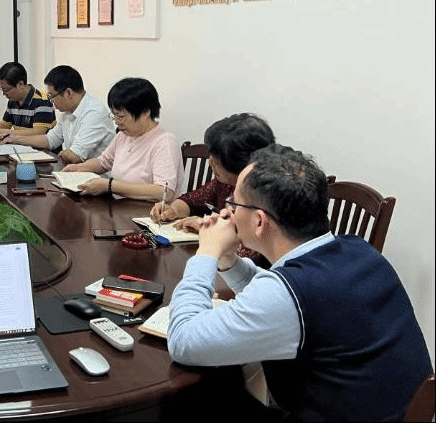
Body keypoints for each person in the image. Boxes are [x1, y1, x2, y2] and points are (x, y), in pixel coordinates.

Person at [166, 145, 432, 421]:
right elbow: (287, 300)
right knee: (223, 383)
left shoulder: (288, 292)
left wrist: (207, 252)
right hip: (386, 412)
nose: (227, 209)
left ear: (259, 222)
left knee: (187, 400)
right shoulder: (357, 249)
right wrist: (229, 261)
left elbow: (183, 342)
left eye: (235, 202)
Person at [149, 113, 274, 263]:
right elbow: (193, 199)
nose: (210, 162)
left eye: (216, 159)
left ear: (238, 163)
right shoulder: (224, 183)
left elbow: (250, 255)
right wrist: (173, 210)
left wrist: (210, 227)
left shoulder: (264, 197)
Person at [62, 77, 183, 200]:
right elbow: (103, 162)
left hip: (147, 210)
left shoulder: (164, 142)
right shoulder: (123, 135)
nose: (117, 122)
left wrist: (110, 185)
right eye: (114, 116)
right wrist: (79, 168)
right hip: (118, 206)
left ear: (146, 112)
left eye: (121, 116)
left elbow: (165, 192)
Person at [0, 65, 113, 164]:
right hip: (75, 172)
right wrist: (14, 139)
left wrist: (61, 154)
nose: (51, 101)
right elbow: (50, 140)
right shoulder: (68, 111)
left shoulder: (94, 113)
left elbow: (75, 156)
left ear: (68, 93)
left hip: (97, 179)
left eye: (52, 96)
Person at [0, 62, 56, 140]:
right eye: (1, 89)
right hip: (20, 146)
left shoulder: (42, 102)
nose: (4, 94)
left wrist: (2, 132)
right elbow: (4, 126)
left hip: (39, 149)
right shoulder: (13, 101)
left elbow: (38, 133)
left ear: (20, 84)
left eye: (6, 90)